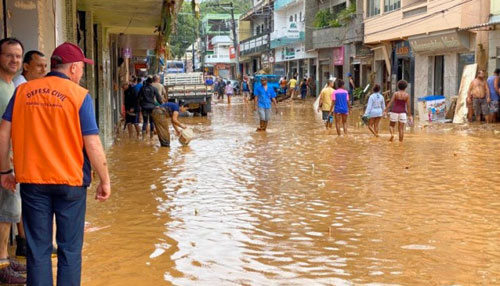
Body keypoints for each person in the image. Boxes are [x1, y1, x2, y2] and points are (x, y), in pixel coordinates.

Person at [0, 41, 111, 286]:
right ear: (73, 69)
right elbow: (92, 143)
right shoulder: (79, 96)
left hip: (32, 182)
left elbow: (3, 133)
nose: (82, 73)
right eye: (82, 68)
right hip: (70, 183)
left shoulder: (23, 91)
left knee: (38, 250)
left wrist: (5, 170)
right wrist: (105, 179)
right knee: (69, 250)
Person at [0, 38, 26, 284]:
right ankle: (2, 264)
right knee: (5, 213)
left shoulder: (13, 87)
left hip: (10, 161)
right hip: (3, 164)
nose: (14, 60)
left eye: (17, 56)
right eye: (9, 55)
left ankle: (5, 258)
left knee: (9, 213)